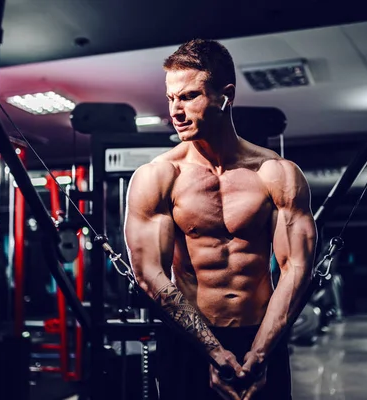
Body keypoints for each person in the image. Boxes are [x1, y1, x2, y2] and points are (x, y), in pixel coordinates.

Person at [123, 38, 317, 400]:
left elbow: (295, 269)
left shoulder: (277, 174)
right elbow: (149, 274)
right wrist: (213, 352)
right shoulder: (158, 177)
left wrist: (259, 355)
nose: (175, 111)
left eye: (189, 96)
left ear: (225, 95)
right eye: (171, 99)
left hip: (261, 335)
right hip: (189, 341)